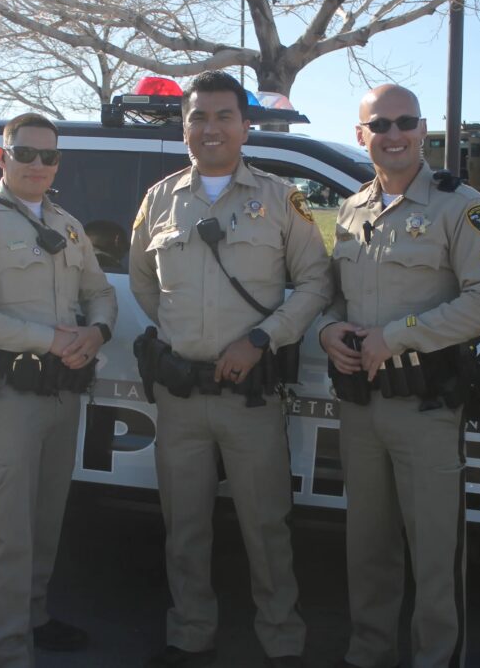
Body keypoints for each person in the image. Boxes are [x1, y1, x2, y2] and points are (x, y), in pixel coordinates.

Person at [129, 70, 332, 668]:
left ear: (246, 125)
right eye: (199, 117)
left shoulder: (279, 198)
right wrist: (177, 332)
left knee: (266, 527)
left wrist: (263, 338)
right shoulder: (160, 199)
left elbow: (316, 280)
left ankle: (282, 641)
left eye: (224, 116)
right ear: (184, 125)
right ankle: (191, 633)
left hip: (251, 398)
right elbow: (143, 279)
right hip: (181, 395)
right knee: (183, 527)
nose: (211, 127)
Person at [318, 84, 480, 668]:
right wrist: (329, 333)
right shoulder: (352, 212)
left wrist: (395, 335)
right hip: (360, 406)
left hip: (426, 408)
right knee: (367, 548)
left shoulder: (462, 207)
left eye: (405, 122)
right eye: (380, 124)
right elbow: (334, 301)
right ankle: (368, 654)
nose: (393, 134)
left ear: (423, 129)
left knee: (434, 556)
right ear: (362, 135)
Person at [0, 112, 117, 668]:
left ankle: (34, 616)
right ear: (2, 157)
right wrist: (50, 339)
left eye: (49, 156)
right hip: (10, 399)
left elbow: (101, 292)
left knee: (47, 518)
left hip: (62, 395)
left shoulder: (68, 225)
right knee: (8, 533)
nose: (38, 164)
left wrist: (96, 331)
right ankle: (8, 650)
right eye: (26, 153)